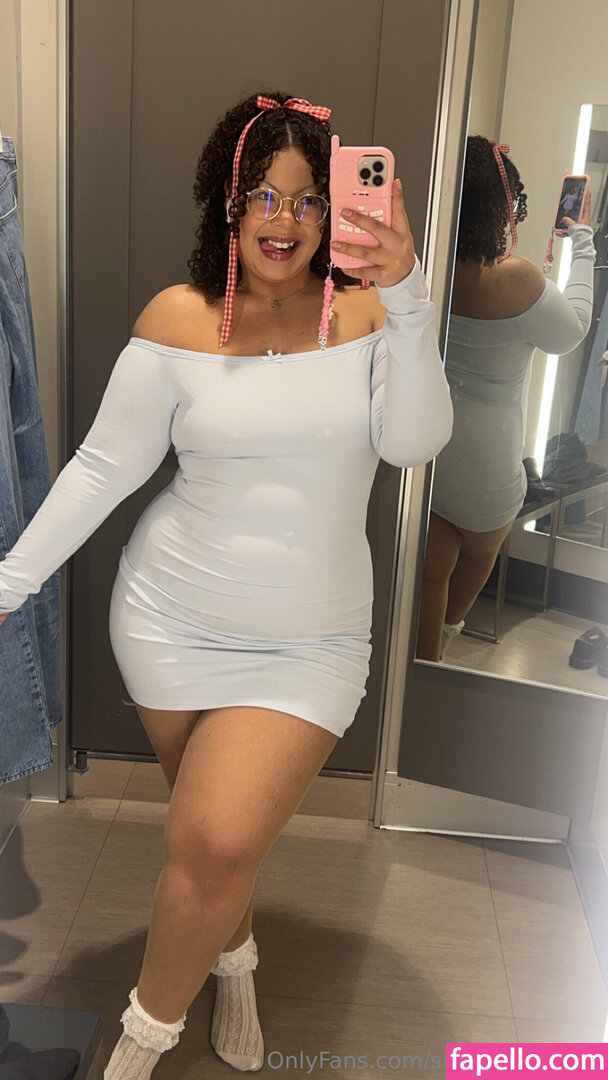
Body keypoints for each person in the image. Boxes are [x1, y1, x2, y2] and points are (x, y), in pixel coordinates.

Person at [0, 91, 453, 1075]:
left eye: (307, 200)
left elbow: (413, 443)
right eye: (263, 196)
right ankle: (233, 961)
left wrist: (413, 297)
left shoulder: (372, 312)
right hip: (169, 617)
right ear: (227, 201)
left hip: (310, 640)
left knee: (211, 837)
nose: (284, 222)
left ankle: (137, 1046)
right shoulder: (178, 317)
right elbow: (103, 469)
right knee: (213, 844)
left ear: (336, 210)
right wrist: (10, 582)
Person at [416, 134, 595, 664]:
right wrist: (582, 242)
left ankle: (418, 678)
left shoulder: (422, 269)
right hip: (488, 475)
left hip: (428, 456)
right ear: (501, 208)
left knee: (428, 587)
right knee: (461, 592)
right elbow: (573, 329)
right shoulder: (517, 279)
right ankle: (439, 662)